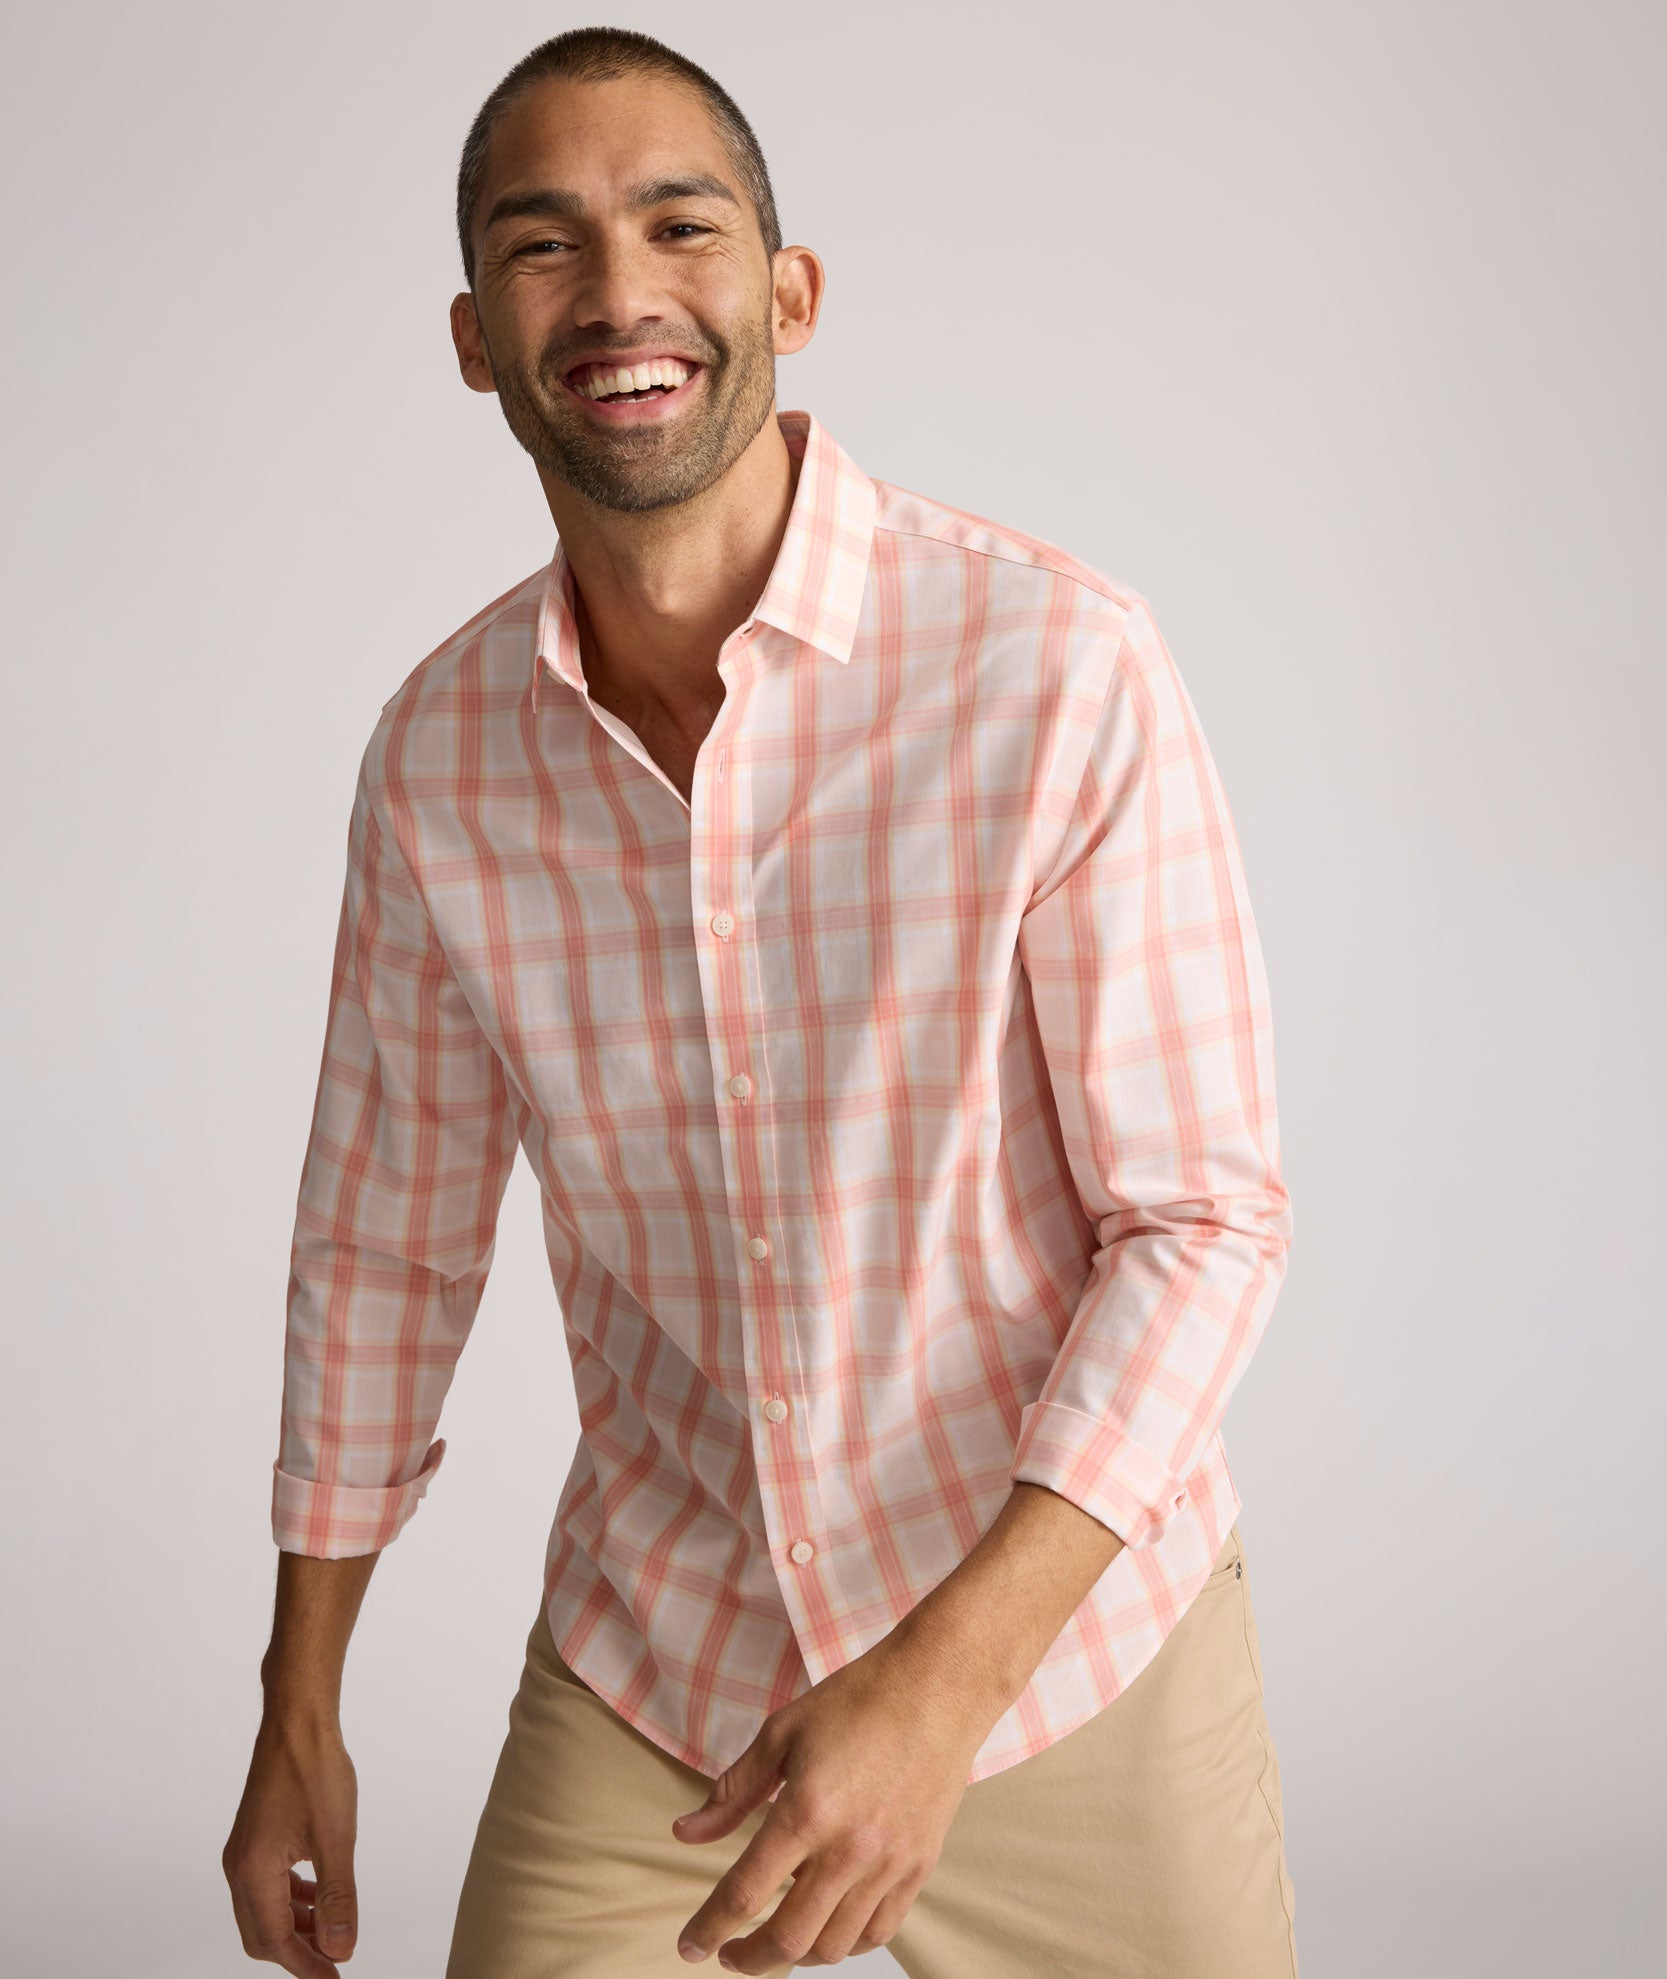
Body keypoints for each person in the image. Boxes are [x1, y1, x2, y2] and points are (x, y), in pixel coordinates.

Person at [222, 26, 1299, 1979]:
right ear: (475, 341)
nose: (617, 294)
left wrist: (939, 1691)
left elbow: (1200, 1224)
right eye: (542, 247)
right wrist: (301, 1696)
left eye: (680, 227)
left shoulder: (1056, 666)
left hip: (1064, 1658)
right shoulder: (438, 760)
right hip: (667, 1659)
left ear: (789, 294)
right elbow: (383, 1249)